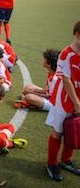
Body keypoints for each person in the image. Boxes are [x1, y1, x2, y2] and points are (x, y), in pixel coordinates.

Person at [45, 21, 80, 181]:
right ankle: (52, 163)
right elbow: (66, 80)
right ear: (77, 35)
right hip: (64, 99)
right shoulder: (66, 54)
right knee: (59, 131)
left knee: (74, 129)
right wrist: (77, 103)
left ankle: (66, 160)